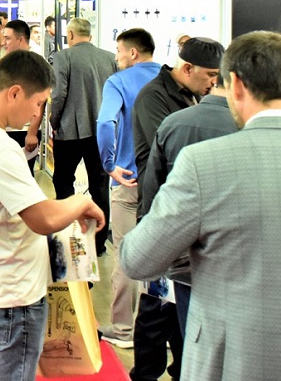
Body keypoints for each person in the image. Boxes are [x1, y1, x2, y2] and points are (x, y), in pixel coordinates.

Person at [120, 31, 281, 381]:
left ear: (235, 84)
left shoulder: (203, 162)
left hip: (228, 354)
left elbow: (137, 259)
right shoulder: (157, 99)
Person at [0, 51, 105, 381]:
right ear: (14, 93)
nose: (37, 114)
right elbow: (42, 218)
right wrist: (79, 203)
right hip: (11, 296)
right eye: (39, 103)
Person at [128, 36, 224, 381]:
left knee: (175, 308)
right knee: (155, 307)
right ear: (187, 68)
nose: (213, 82)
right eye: (210, 75)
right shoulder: (154, 97)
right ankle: (146, 374)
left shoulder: (193, 95)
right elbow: (175, 155)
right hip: (161, 215)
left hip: (186, 215)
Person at [138, 74, 238, 336]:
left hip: (183, 257)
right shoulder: (246, 127)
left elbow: (153, 194)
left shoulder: (173, 123)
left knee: (189, 334)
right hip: (236, 262)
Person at [94, 28, 161, 349]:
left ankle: (123, 329)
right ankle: (161, 329)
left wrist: (109, 164)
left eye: (119, 51)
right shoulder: (168, 78)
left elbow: (105, 122)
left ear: (133, 52)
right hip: (164, 181)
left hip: (129, 178)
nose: (117, 57)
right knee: (164, 253)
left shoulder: (118, 82)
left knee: (125, 252)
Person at [50, 17, 117, 253]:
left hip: (69, 131)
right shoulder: (110, 57)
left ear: (70, 34)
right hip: (101, 132)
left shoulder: (63, 57)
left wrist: (54, 121)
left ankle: (69, 237)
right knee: (100, 186)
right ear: (90, 34)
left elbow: (58, 94)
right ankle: (98, 244)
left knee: (63, 182)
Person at [1, 20, 44, 174]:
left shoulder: (35, 62)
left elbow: (40, 101)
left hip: (23, 131)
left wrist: (31, 133)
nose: (3, 42)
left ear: (20, 40)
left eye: (7, 38)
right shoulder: (9, 61)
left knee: (23, 176)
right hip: (6, 130)